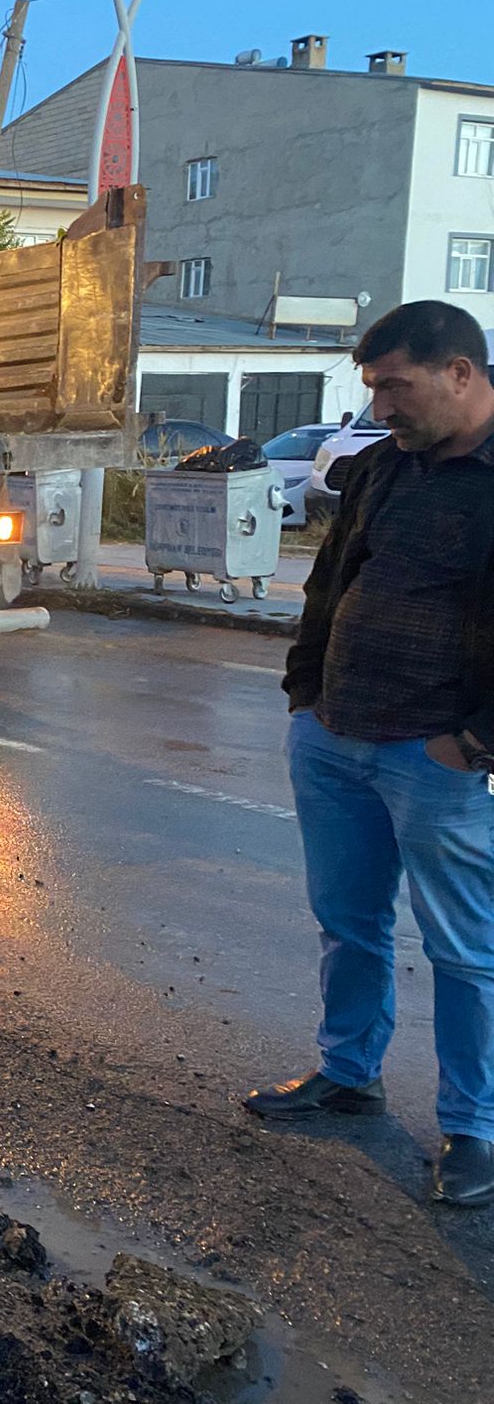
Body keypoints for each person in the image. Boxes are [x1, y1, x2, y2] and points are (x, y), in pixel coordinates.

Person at [244, 300, 494, 1207]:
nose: (381, 407)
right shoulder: (387, 464)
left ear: (460, 372)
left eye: (396, 386)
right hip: (335, 737)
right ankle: (349, 1074)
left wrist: (475, 741)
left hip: (437, 759)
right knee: (348, 923)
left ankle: (475, 1129)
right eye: (373, 388)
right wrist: (305, 695)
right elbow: (330, 581)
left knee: (465, 951)